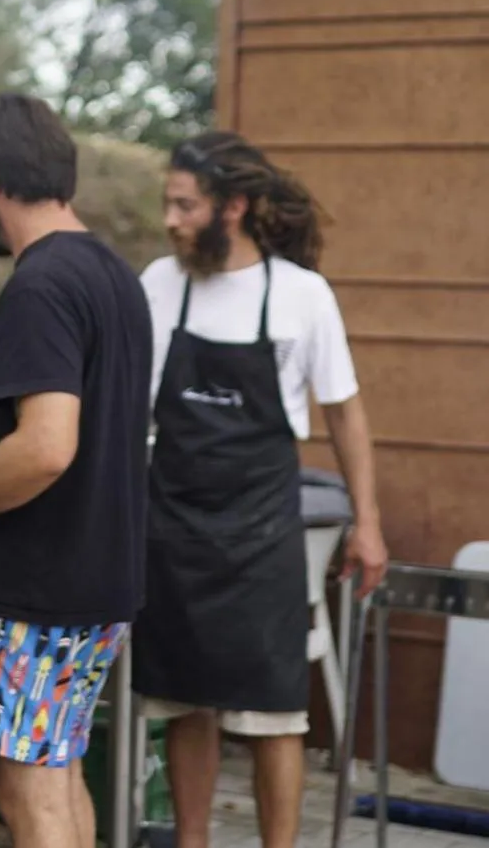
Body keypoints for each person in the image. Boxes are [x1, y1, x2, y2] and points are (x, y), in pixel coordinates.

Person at [0, 94, 153, 848]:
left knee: (28, 785)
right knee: (59, 768)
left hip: (37, 587)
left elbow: (47, 445)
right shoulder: (111, 274)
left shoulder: (38, 285)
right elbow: (79, 382)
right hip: (97, 574)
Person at [133, 131, 389, 848]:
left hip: (260, 533)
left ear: (234, 206)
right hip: (175, 526)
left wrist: (367, 522)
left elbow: (343, 410)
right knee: (186, 702)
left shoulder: (302, 295)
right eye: (168, 203)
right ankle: (193, 842)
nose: (171, 219)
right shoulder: (160, 283)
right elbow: (110, 388)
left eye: (185, 205)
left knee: (276, 712)